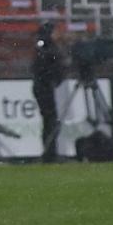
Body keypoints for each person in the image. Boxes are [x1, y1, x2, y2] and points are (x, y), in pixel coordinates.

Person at [31, 20, 65, 163]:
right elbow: (46, 67)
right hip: (44, 86)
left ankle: (50, 151)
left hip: (44, 85)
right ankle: (50, 152)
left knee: (50, 120)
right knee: (50, 120)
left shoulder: (45, 48)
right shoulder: (46, 49)